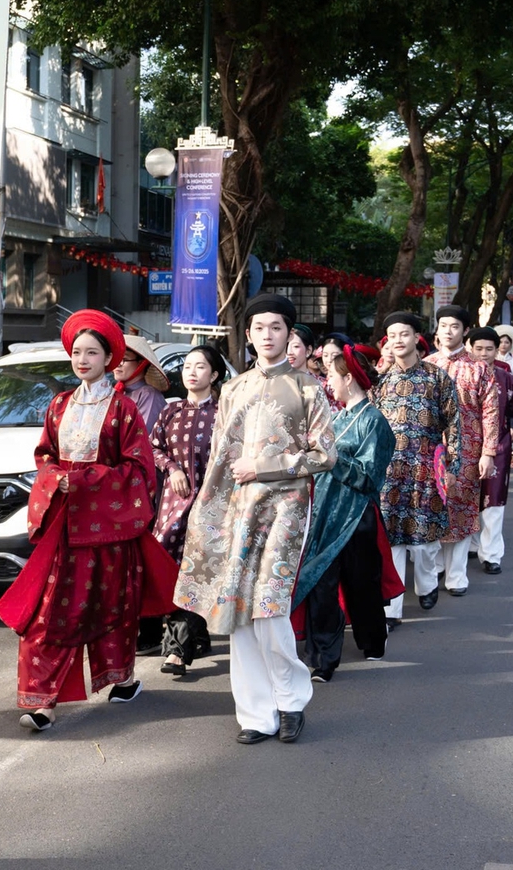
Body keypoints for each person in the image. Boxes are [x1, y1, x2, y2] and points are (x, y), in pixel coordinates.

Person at [175, 293, 337, 745]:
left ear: (290, 334)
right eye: (259, 328)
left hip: (286, 507)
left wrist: (266, 468)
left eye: (277, 327)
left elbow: (325, 454)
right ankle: (255, 715)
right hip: (236, 509)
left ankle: (290, 700)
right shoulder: (235, 388)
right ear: (247, 336)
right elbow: (220, 459)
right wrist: (207, 512)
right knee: (238, 610)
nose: (268, 335)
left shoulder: (308, 388)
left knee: (269, 607)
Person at [0, 310, 165, 728]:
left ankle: (121, 680)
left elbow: (140, 471)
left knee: (112, 605)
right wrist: (55, 480)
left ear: (110, 358)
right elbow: (44, 457)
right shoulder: (58, 405)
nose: (82, 359)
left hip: (107, 525)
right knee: (49, 612)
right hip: (64, 526)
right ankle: (42, 702)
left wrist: (86, 481)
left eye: (91, 352)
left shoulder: (124, 409)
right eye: (76, 352)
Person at [295, 346, 401, 678]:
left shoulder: (375, 422)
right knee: (321, 585)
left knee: (361, 583)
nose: (329, 382)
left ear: (349, 379)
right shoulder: (337, 417)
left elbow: (370, 477)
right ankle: (324, 658)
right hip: (325, 513)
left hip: (357, 516)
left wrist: (332, 459)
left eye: (332, 376)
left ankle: (372, 639)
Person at [372, 312, 462, 621]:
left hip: (426, 470)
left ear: (416, 338)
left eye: (404, 334)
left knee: (424, 542)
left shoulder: (437, 377)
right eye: (392, 335)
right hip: (389, 473)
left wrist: (452, 467)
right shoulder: (380, 382)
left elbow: (453, 423)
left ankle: (426, 586)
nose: (398, 340)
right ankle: (392, 609)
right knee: (391, 540)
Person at [154, 344, 225, 677]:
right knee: (170, 569)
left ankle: (176, 651)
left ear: (214, 374)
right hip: (173, 502)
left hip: (211, 505)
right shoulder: (170, 411)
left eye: (200, 367)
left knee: (197, 570)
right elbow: (154, 448)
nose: (192, 372)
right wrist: (173, 468)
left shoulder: (224, 412)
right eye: (187, 366)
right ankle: (196, 635)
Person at [426, 303, 501, 598]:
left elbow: (491, 413)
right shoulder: (426, 366)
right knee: (432, 508)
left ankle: (456, 576)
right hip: (431, 450)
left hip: (468, 451)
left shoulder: (481, 369)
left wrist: (488, 453)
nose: (448, 331)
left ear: (465, 331)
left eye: (454, 326)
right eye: (443, 326)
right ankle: (430, 573)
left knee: (461, 510)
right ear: (437, 329)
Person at [466, 327, 513, 574]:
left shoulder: (508, 379)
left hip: (499, 448)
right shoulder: (458, 377)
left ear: (497, 350)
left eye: (489, 349)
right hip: (465, 448)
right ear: (470, 349)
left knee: (493, 503)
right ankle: (470, 543)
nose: (484, 354)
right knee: (466, 499)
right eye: (479, 348)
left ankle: (491, 555)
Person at [113, 333, 171, 433]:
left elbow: (141, 436)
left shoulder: (149, 395)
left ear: (141, 363)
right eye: (116, 358)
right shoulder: (116, 392)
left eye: (124, 359)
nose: (118, 364)